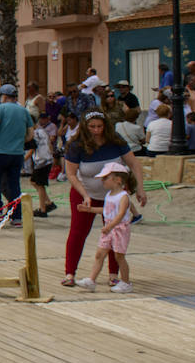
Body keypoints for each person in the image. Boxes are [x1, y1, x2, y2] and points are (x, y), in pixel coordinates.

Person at [63, 111, 146, 289]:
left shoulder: (114, 140)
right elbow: (70, 173)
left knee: (115, 233)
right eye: (92, 127)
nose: (96, 130)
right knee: (78, 232)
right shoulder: (77, 145)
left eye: (100, 126)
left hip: (114, 195)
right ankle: (70, 273)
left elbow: (133, 163)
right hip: (85, 192)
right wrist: (85, 195)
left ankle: (113, 274)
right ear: (85, 127)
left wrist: (140, 187)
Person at [75, 163, 137, 293]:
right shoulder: (109, 194)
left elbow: (120, 214)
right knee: (100, 254)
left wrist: (109, 226)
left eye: (105, 178)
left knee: (119, 256)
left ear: (118, 180)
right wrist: (89, 209)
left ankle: (126, 282)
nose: (102, 181)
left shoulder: (123, 196)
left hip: (118, 229)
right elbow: (106, 210)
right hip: (108, 228)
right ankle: (91, 280)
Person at [0, 84, 35, 226]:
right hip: (17, 153)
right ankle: (16, 216)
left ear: (5, 96)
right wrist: (20, 141)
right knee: (14, 184)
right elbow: (31, 134)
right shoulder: (24, 111)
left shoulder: (0, 108)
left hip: (0, 151)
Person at [28, 113, 57, 217]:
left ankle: (43, 209)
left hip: (42, 161)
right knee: (34, 182)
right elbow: (49, 143)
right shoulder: (42, 131)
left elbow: (32, 149)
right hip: (46, 159)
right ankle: (48, 203)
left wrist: (24, 158)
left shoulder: (34, 134)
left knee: (39, 184)